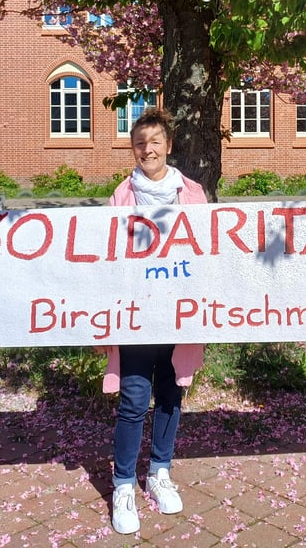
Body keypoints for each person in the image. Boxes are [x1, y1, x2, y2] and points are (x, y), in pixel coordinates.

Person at [103, 107, 205, 535]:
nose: (149, 150)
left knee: (170, 395)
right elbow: (107, 256)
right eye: (141, 143)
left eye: (156, 142)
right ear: (133, 149)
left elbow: (208, 252)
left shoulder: (193, 193)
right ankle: (123, 483)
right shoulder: (121, 197)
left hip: (179, 314)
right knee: (133, 399)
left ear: (168, 145)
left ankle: (159, 471)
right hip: (137, 315)